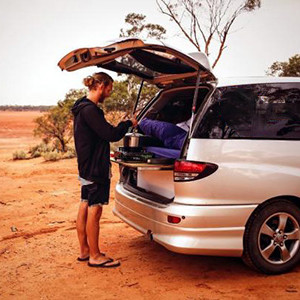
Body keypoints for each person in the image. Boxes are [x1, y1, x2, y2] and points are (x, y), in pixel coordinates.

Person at [71, 72, 137, 268]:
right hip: (95, 168)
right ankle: (95, 255)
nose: (109, 93)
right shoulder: (91, 110)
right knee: (95, 209)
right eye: (109, 89)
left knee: (85, 203)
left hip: (85, 167)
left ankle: (84, 251)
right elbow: (110, 134)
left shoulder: (80, 106)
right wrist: (128, 123)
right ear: (101, 86)